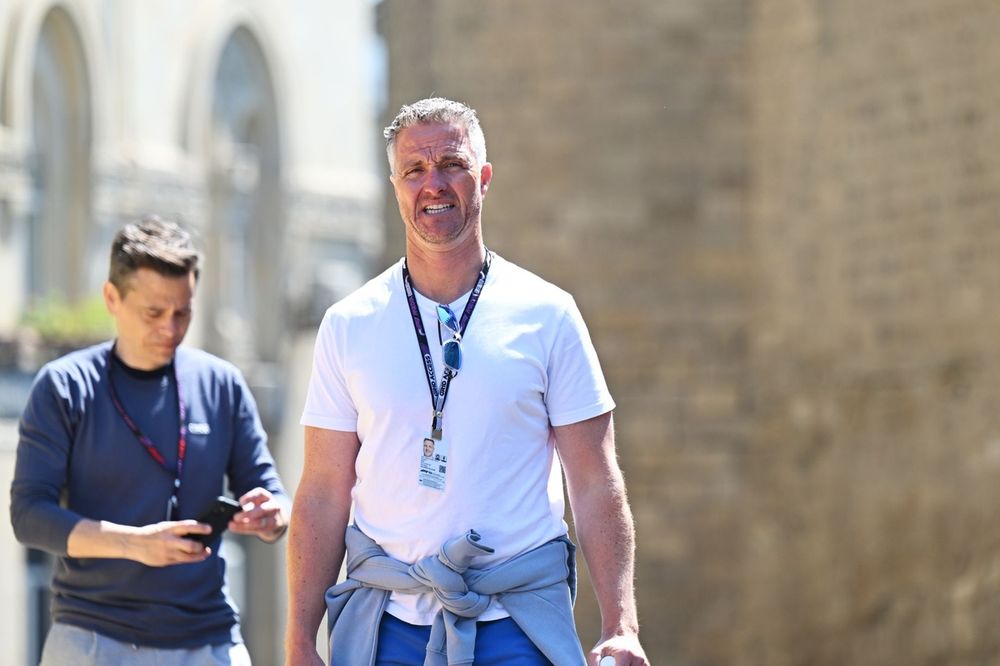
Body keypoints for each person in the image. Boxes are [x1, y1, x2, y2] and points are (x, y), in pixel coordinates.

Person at [285, 97, 649, 666]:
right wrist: (300, 639)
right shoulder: (348, 324)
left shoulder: (548, 314)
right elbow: (324, 490)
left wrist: (619, 623)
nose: (434, 184)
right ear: (395, 186)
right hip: (386, 626)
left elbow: (594, 479)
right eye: (414, 170)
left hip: (516, 623)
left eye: (451, 164)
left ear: (483, 178)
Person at [10, 215, 291, 665]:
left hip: (209, 641)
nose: (170, 328)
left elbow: (271, 492)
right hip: (92, 639)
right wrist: (133, 544)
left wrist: (273, 515)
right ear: (111, 298)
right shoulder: (64, 386)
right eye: (153, 313)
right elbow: (29, 516)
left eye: (183, 313)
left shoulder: (222, 384)